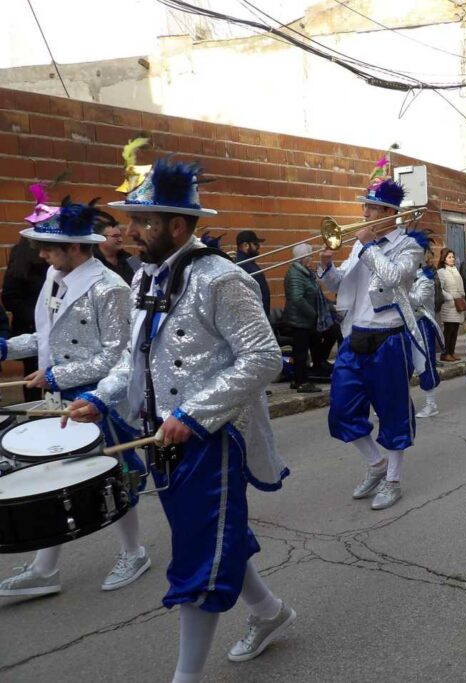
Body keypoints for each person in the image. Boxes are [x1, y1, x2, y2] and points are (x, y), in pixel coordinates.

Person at [64, 158, 294, 682]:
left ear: (175, 225)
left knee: (198, 555)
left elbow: (264, 358)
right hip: (162, 437)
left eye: (143, 222)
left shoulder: (221, 279)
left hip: (213, 439)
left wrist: (195, 412)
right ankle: (269, 611)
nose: (131, 232)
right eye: (132, 220)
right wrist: (100, 398)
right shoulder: (147, 278)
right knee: (207, 535)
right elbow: (136, 359)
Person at [0, 196, 149, 598]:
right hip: (61, 397)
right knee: (55, 475)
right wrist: (8, 348)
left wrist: (57, 374)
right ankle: (44, 568)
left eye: (50, 248)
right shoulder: (55, 277)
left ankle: (134, 552)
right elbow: (47, 339)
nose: (43, 255)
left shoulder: (110, 288)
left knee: (115, 475)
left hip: (100, 397)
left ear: (77, 247)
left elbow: (118, 356)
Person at [318, 162, 429, 511]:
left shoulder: (409, 246)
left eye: (370, 208)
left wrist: (368, 247)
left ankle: (393, 479)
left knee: (393, 413)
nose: (363, 213)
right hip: (355, 337)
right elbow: (340, 285)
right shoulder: (359, 246)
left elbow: (394, 277)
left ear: (389, 213)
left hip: (389, 339)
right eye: (365, 206)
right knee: (341, 410)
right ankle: (375, 463)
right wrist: (325, 266)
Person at [2, 237, 47, 401]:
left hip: (47, 327)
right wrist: (36, 319)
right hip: (30, 326)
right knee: (33, 375)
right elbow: (9, 297)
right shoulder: (22, 260)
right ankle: (34, 409)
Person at [282, 243, 322, 393]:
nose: (311, 258)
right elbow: (297, 298)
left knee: (304, 349)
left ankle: (298, 378)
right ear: (302, 257)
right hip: (299, 320)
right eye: (309, 256)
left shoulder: (303, 272)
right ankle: (301, 382)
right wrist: (314, 314)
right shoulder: (295, 274)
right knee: (301, 351)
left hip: (303, 319)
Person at [410, 248, 444, 417]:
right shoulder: (407, 275)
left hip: (422, 324)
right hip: (405, 324)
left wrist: (399, 288)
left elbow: (417, 300)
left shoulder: (427, 279)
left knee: (425, 363)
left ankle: (431, 404)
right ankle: (395, 403)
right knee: (400, 365)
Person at [437, 247, 465, 361]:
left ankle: (452, 352)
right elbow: (439, 288)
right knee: (448, 330)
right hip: (449, 305)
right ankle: (445, 353)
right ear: (444, 259)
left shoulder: (455, 270)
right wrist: (450, 297)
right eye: (449, 257)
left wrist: (462, 295)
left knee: (455, 330)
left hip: (458, 304)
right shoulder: (441, 272)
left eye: (453, 257)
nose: (452, 259)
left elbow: (459, 285)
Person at [235, 230, 271, 318]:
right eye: (255, 244)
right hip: (257, 317)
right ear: (245, 245)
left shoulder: (244, 263)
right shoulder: (247, 266)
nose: (258, 247)